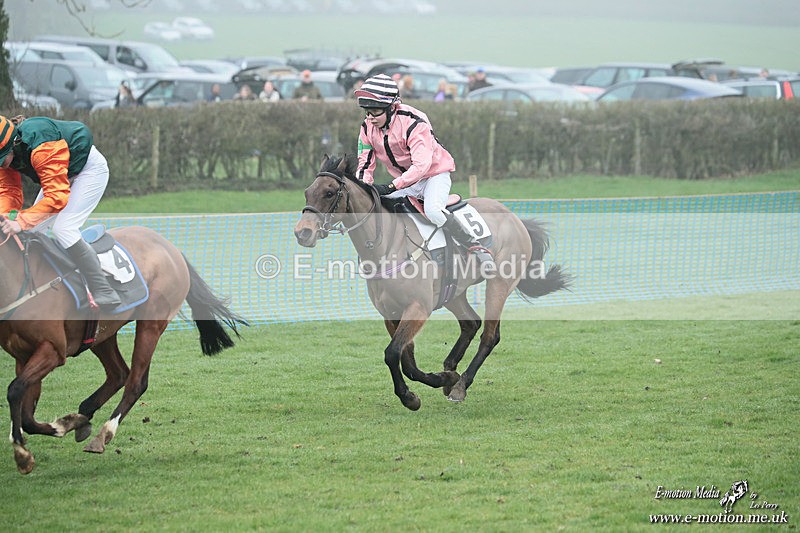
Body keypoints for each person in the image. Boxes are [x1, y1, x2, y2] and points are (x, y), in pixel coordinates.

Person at [354, 74, 495, 272]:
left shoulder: (414, 122)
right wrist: (363, 186)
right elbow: (365, 163)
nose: (370, 118)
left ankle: (474, 245)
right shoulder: (367, 127)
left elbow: (421, 166)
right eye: (367, 112)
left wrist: (392, 186)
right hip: (406, 181)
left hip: (433, 175)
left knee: (433, 211)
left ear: (391, 107)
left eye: (375, 112)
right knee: (381, 207)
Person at [0, 115, 122, 310]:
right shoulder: (7, 152)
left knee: (64, 228)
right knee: (30, 232)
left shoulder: (40, 143)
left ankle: (103, 290)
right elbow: (9, 192)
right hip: (59, 176)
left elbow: (57, 196)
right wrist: (5, 218)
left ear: (11, 146)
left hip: (87, 171)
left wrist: (21, 221)